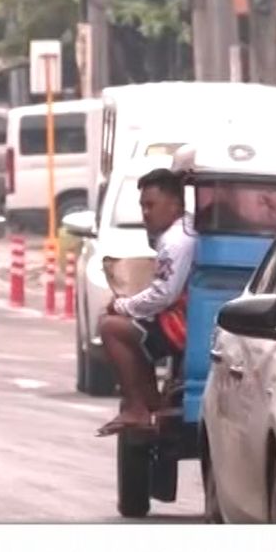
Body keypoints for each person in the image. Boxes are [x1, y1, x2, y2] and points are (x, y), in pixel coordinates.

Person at [95, 166, 197, 437]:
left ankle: (138, 407)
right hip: (188, 318)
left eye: (151, 205)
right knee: (129, 325)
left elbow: (163, 294)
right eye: (143, 206)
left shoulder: (176, 240)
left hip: (184, 325)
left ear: (174, 204)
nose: (146, 213)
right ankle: (150, 400)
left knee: (110, 327)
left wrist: (122, 305)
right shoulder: (182, 230)